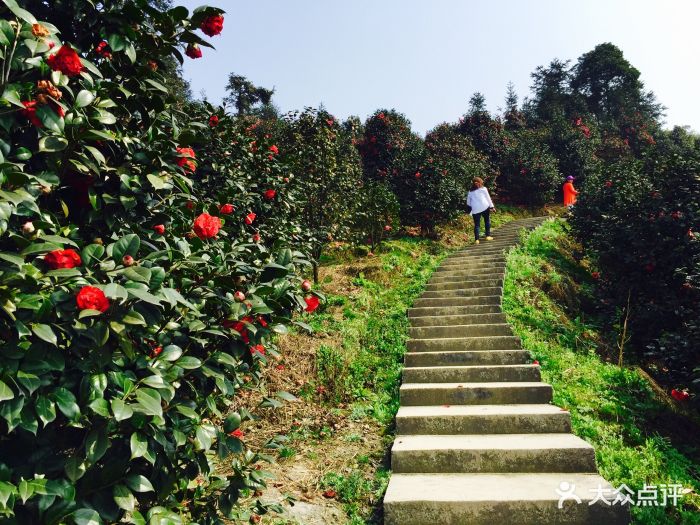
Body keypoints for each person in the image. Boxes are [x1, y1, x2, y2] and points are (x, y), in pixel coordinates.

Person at [467, 177, 495, 244]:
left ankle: (477, 240)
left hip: (475, 209)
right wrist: (492, 207)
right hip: (485, 207)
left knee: (477, 225)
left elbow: (468, 202)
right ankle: (488, 236)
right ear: (480, 182)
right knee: (487, 220)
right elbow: (488, 198)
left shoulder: (470, 192)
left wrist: (473, 206)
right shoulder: (483, 189)